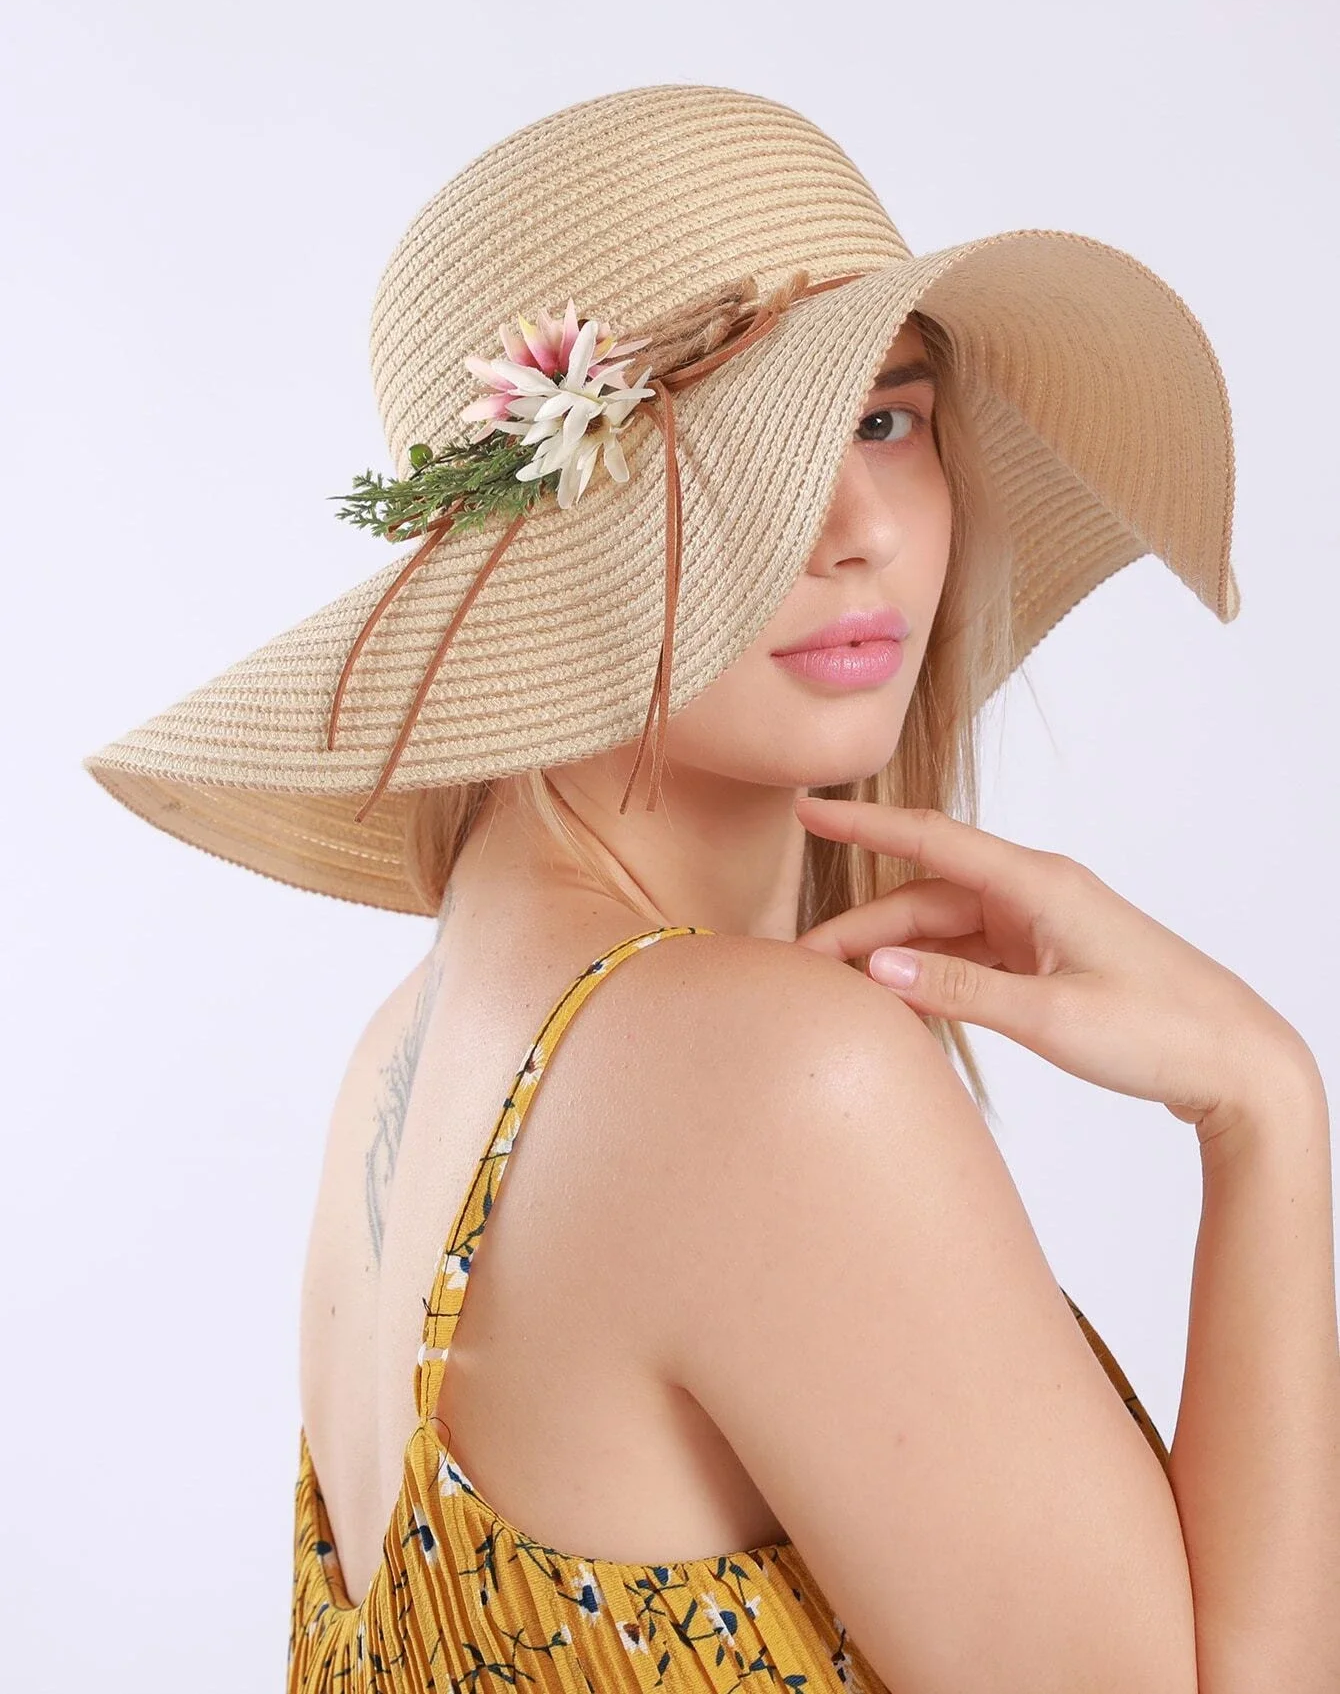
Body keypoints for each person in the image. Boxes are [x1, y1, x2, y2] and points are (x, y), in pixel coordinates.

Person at [83, 84, 1339, 1693]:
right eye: (727, 446)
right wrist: (1264, 1111)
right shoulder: (766, 1075)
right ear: (537, 553)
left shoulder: (409, 1056)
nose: (858, 529)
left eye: (883, 420)